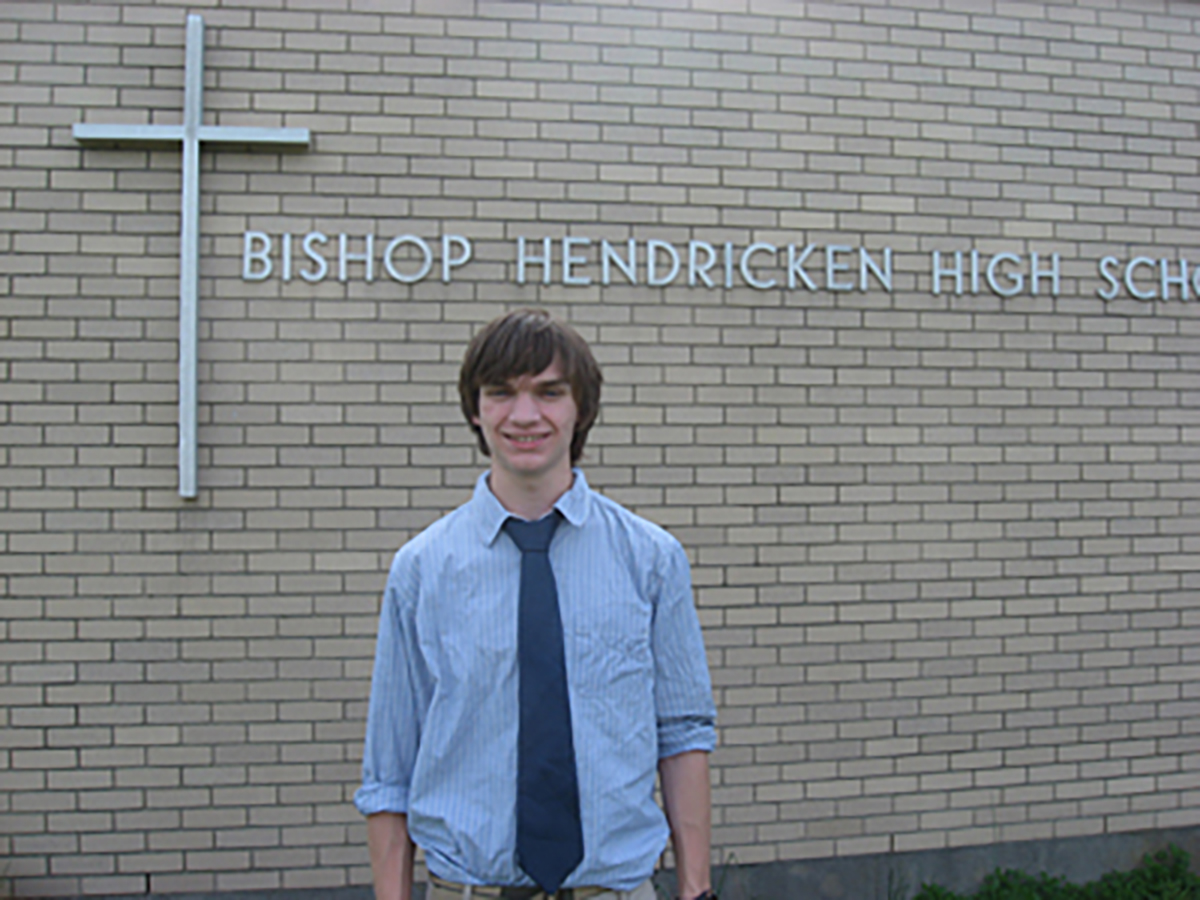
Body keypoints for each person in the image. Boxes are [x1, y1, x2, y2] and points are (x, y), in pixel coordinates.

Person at [355, 308, 717, 900]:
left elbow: (681, 734)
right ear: (476, 410)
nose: (525, 416)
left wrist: (696, 890)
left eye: (549, 392)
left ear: (582, 408)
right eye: (501, 393)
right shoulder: (421, 569)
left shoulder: (651, 559)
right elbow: (390, 770)